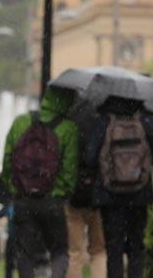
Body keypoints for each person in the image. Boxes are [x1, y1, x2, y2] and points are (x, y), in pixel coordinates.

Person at [2, 85, 80, 278]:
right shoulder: (68, 128)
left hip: (23, 200)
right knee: (59, 250)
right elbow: (69, 171)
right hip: (52, 202)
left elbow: (7, 161)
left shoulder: (21, 122)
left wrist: (16, 189)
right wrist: (59, 194)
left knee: (25, 252)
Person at [82, 97, 153, 278]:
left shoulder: (103, 121)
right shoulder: (146, 121)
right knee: (136, 247)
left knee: (114, 248)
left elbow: (89, 157)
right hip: (140, 195)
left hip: (109, 196)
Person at [65, 99, 106, 278]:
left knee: (74, 252)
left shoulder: (70, 122)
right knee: (99, 251)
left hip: (74, 194)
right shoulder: (103, 122)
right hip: (99, 195)